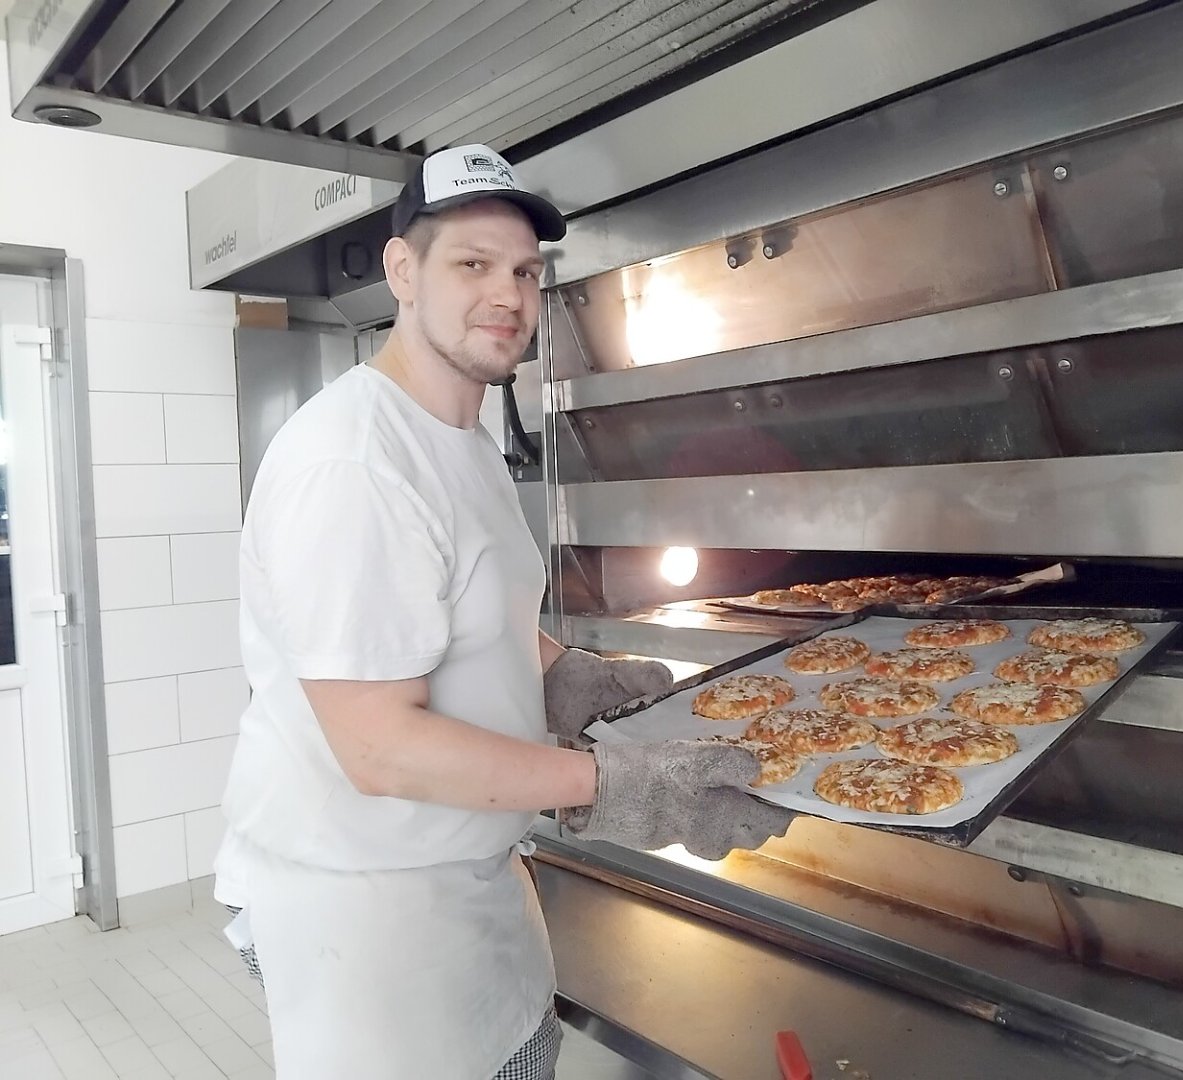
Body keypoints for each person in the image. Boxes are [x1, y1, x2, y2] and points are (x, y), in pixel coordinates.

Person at [212, 143, 795, 1080]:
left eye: (525, 271)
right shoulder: (355, 463)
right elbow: (379, 748)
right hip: (372, 923)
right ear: (403, 272)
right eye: (472, 264)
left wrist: (564, 673)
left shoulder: (463, 437)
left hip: (466, 886)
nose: (508, 295)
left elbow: (465, 611)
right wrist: (612, 783)